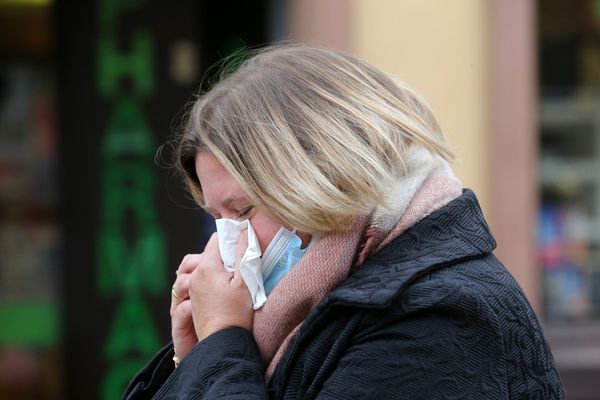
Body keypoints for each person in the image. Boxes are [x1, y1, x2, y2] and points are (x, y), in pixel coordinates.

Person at [123, 45, 565, 399]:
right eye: (216, 218)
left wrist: (221, 342)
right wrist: (193, 359)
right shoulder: (313, 304)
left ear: (325, 178)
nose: (227, 244)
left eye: (244, 211)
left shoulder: (442, 314)